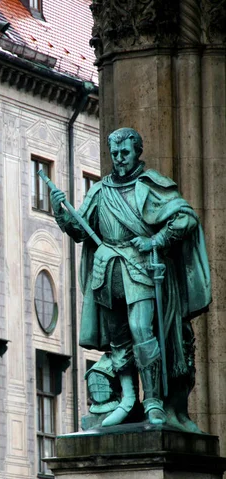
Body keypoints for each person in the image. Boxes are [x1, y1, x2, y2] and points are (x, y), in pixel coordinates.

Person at [50, 127, 211, 428]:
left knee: (141, 329)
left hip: (140, 268)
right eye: (115, 154)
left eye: (125, 153)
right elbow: (80, 229)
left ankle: (152, 402)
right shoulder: (100, 191)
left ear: (137, 152)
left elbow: (186, 217)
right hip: (107, 271)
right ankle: (127, 400)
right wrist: (61, 212)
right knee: (118, 340)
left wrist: (156, 241)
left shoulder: (151, 185)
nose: (120, 159)